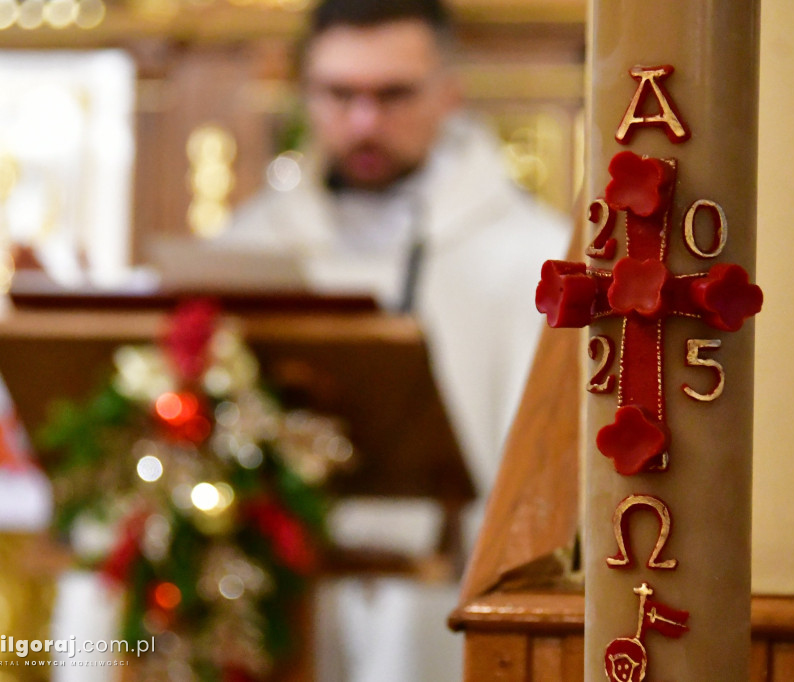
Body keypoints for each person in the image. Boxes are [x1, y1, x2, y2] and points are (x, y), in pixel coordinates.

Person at [224, 0, 570, 679]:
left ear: (451, 93)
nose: (363, 122)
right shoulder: (252, 244)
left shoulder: (533, 258)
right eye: (339, 94)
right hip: (283, 599)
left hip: (438, 605)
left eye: (393, 95)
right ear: (304, 92)